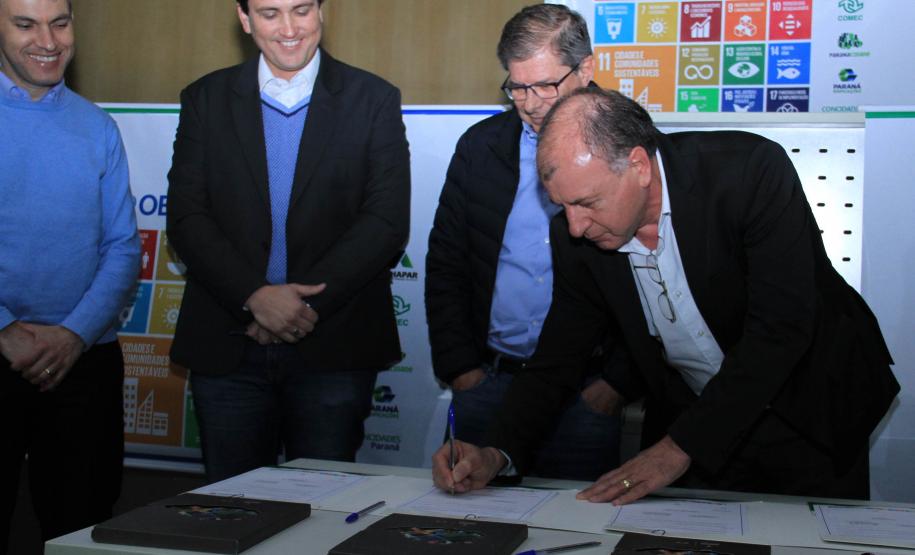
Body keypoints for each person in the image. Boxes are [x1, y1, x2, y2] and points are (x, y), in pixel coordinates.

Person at [433, 88, 898, 502]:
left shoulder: (748, 172)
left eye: (587, 203)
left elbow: (780, 329)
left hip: (808, 408)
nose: (574, 226)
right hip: (692, 417)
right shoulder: (578, 239)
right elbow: (559, 355)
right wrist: (496, 451)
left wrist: (679, 447)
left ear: (638, 166)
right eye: (563, 206)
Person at [166, 0, 410, 482]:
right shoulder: (205, 99)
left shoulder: (373, 98)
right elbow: (187, 217)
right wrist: (255, 297)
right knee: (233, 508)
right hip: (229, 344)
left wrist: (299, 308)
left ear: (321, 11)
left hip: (334, 346)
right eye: (270, 13)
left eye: (300, 10)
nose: (288, 28)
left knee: (322, 505)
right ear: (245, 19)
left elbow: (385, 222)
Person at [425, 3, 625, 481]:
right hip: (489, 382)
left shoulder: (627, 143)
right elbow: (446, 262)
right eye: (517, 87)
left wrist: (616, 383)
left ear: (585, 69)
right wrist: (463, 371)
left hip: (586, 393)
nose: (530, 102)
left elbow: (650, 273)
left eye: (545, 85)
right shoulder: (480, 147)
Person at [0, 0, 141, 549]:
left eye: (59, 23)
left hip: (83, 362)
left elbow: (122, 248)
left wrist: (74, 334)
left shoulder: (96, 126)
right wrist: (4, 329)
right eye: (25, 24)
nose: (48, 40)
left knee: (82, 530)